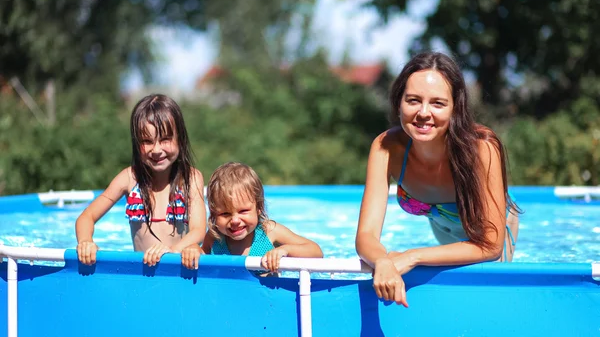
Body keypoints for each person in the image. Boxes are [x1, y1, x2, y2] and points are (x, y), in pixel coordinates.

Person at [356, 52, 520, 307]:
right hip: (444, 236)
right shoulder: (386, 147)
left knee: (487, 303)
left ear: (456, 107)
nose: (423, 113)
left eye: (438, 103)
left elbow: (490, 245)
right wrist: (383, 261)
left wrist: (413, 256)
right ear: (399, 101)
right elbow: (365, 235)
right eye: (413, 100)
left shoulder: (482, 148)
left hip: (490, 237)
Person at [75, 94, 206, 267]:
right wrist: (85, 242)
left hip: (176, 270)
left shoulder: (190, 178)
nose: (156, 150)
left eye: (165, 139)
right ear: (137, 144)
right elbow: (86, 217)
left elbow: (198, 230)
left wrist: (172, 250)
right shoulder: (129, 178)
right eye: (147, 141)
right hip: (141, 274)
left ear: (180, 139)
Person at [181, 162, 323, 273]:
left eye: (243, 211)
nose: (235, 221)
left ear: (259, 207)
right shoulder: (215, 237)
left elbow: (316, 251)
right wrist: (194, 249)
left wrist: (285, 250)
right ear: (213, 215)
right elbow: (203, 253)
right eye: (225, 214)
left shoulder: (269, 231)